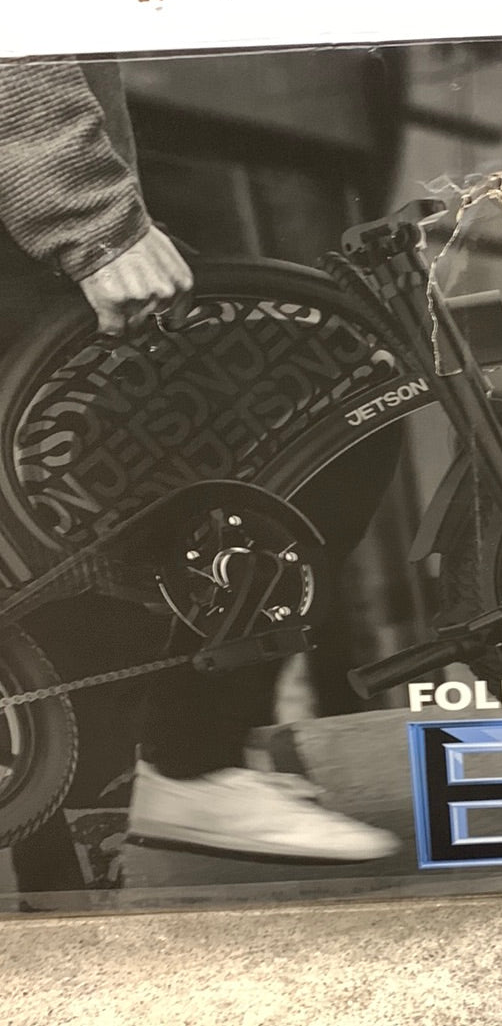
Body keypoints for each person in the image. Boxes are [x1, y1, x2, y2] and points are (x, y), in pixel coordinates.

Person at [0, 58, 398, 872]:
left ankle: (150, 789)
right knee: (334, 395)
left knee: (78, 527)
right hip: (33, 227)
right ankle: (189, 767)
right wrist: (92, 219)